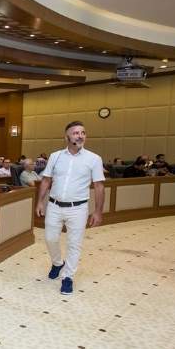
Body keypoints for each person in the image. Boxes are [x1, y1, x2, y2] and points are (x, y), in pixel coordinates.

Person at [35, 121, 105, 295]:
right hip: (54, 205)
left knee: (74, 244)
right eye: (75, 133)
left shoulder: (94, 159)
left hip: (78, 208)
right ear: (66, 137)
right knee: (50, 238)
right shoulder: (55, 156)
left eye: (83, 133)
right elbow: (46, 180)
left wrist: (97, 211)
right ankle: (58, 263)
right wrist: (40, 202)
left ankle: (68, 277)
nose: (80, 136)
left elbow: (99, 186)